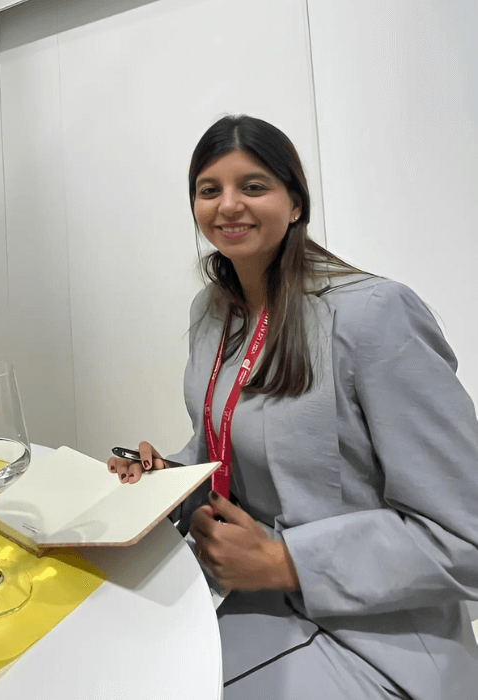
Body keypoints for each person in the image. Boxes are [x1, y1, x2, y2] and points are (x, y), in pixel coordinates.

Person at [107, 115, 478, 699]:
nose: (229, 205)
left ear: (296, 203)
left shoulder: (374, 316)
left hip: (372, 638)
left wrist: (287, 563)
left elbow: (466, 537)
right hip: (245, 595)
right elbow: (226, 449)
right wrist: (170, 474)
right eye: (210, 190)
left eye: (253, 186)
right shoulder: (212, 311)